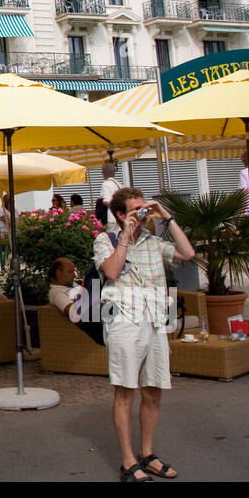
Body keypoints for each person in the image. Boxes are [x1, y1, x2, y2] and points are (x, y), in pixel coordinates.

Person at [94, 186, 196, 482]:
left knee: (152, 390)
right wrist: (125, 234)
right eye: (136, 210)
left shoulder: (153, 240)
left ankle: (147, 453)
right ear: (120, 214)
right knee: (125, 390)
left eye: (144, 208)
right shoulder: (105, 239)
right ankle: (128, 461)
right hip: (124, 318)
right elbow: (111, 272)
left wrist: (166, 215)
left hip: (155, 319)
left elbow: (187, 253)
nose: (142, 214)